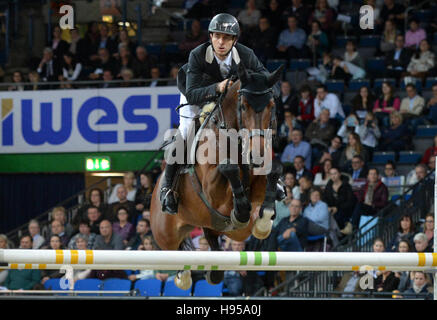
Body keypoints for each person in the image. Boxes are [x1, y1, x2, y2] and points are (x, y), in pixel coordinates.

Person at [160, 13, 269, 215]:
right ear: (210, 36)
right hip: (195, 95)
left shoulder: (245, 54)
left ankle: (273, 179)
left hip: (228, 98)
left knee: (256, 123)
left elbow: (264, 78)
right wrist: (217, 87)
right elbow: (192, 93)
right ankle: (168, 188)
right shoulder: (197, 54)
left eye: (227, 38)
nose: (221, 42)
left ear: (234, 40)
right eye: (217, 36)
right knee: (186, 131)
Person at [323, 167, 356, 232]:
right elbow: (325, 198)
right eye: (331, 174)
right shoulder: (328, 186)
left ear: (339, 174)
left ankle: (340, 235)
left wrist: (337, 208)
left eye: (335, 173)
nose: (333, 176)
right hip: (331, 209)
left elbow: (350, 202)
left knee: (337, 217)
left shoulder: (346, 186)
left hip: (344, 210)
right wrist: (328, 207)